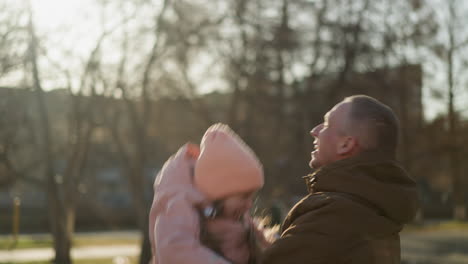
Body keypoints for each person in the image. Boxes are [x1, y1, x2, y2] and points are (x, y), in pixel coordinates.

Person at [261, 95, 419, 264]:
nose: (314, 130)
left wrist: (246, 242)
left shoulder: (333, 215)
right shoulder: (374, 208)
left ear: (346, 144)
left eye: (327, 124)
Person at [149, 123, 270, 264]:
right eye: (244, 196)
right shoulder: (178, 207)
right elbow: (174, 250)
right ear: (220, 191)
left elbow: (264, 243)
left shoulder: (233, 214)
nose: (249, 205)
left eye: (251, 196)